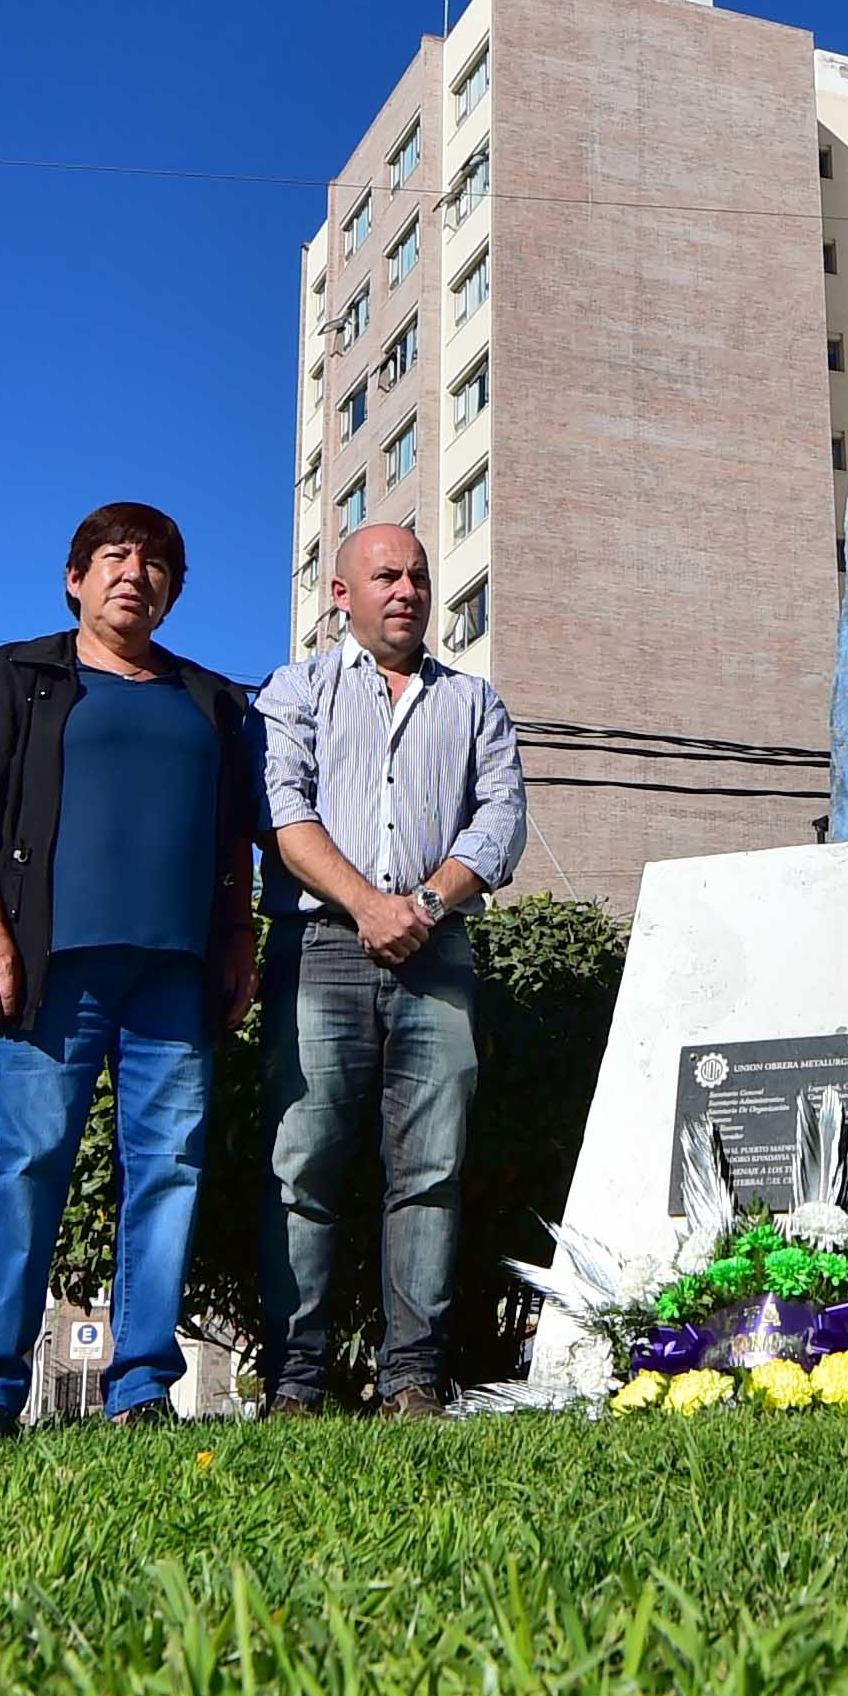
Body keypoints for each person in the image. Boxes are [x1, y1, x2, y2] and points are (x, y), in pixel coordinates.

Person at [0, 501, 262, 1433]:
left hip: (175, 973)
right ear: (76, 577)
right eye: (113, 556)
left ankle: (141, 1383)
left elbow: (237, 839)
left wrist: (239, 938)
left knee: (169, 1166)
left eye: (155, 564)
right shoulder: (19, 674)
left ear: (174, 590)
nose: (133, 574)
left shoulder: (212, 701)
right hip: (47, 965)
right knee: (27, 1165)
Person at [250, 522, 530, 1418]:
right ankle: (296, 1381)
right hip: (321, 946)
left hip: (437, 951)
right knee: (303, 1167)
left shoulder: (475, 702)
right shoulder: (297, 691)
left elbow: (500, 820)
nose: (405, 590)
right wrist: (370, 905)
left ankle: (412, 1376)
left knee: (431, 1169)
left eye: (416, 574)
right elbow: (282, 813)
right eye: (384, 576)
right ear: (342, 594)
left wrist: (427, 906)